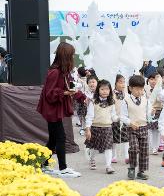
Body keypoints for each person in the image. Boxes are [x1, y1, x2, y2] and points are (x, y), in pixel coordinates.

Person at [37, 42, 81, 178]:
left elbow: (63, 89)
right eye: (71, 55)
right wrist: (65, 93)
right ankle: (63, 168)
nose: (73, 58)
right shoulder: (55, 72)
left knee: (53, 139)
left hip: (54, 109)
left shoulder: (61, 72)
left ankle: (43, 164)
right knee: (60, 137)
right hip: (51, 110)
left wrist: (74, 93)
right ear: (66, 56)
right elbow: (50, 94)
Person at [121, 75, 152, 180]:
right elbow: (123, 116)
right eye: (137, 89)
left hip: (144, 127)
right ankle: (132, 168)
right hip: (132, 128)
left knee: (144, 150)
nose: (140, 91)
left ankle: (141, 171)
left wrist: (151, 115)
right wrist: (130, 122)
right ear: (130, 88)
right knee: (134, 148)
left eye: (141, 89)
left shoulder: (145, 100)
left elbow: (148, 114)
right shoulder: (125, 100)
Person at [84, 80, 118, 174]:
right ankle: (92, 159)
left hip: (107, 127)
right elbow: (89, 116)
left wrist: (119, 118)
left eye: (107, 89)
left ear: (110, 90)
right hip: (95, 127)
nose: (104, 91)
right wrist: (88, 129)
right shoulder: (93, 102)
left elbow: (113, 115)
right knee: (94, 148)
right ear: (98, 90)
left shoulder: (111, 102)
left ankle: (108, 166)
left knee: (108, 147)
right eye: (102, 89)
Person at [111, 74, 130, 164]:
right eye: (120, 82)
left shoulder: (126, 94)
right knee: (114, 139)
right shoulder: (111, 94)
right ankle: (113, 156)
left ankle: (127, 156)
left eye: (124, 82)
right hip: (114, 119)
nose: (122, 84)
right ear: (115, 83)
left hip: (124, 119)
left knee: (126, 138)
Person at [145, 71, 164, 155]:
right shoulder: (145, 89)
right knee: (149, 131)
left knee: (156, 131)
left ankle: (155, 148)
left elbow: (161, 99)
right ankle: (150, 146)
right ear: (148, 80)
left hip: (158, 111)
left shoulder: (161, 89)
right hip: (148, 111)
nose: (153, 81)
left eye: (155, 79)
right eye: (151, 79)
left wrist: (158, 88)